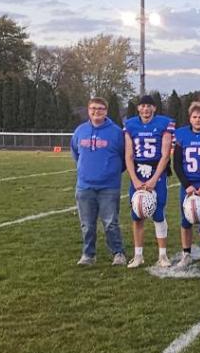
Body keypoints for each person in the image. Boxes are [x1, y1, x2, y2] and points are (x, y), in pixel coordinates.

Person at [70, 97, 126, 266]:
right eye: (93, 108)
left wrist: (110, 173)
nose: (97, 111)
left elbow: (125, 158)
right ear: (88, 110)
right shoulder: (80, 131)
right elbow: (76, 153)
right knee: (87, 225)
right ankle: (88, 254)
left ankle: (118, 253)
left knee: (111, 223)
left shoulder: (116, 132)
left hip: (109, 187)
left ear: (106, 111)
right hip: (84, 186)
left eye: (101, 108)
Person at [123, 95, 175, 268]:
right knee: (137, 214)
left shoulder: (164, 123)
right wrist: (135, 179)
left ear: (154, 108)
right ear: (138, 108)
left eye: (149, 106)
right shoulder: (130, 125)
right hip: (138, 171)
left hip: (156, 171)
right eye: (142, 106)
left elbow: (165, 154)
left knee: (158, 213)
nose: (145, 109)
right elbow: (128, 155)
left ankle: (163, 255)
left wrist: (154, 179)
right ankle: (138, 256)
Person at [171, 101, 200, 269]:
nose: (198, 120)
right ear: (189, 119)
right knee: (186, 220)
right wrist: (187, 185)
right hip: (189, 185)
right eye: (194, 117)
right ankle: (186, 254)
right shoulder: (181, 134)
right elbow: (176, 164)